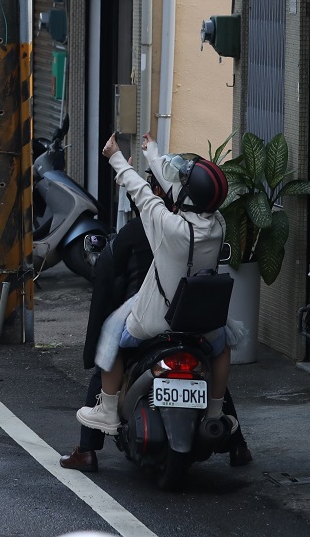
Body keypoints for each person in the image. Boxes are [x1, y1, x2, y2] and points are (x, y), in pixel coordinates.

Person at [76, 134, 239, 442]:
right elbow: (178, 189)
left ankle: (108, 409)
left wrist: (115, 157)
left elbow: (139, 190)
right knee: (223, 347)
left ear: (185, 195)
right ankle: (216, 412)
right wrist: (153, 153)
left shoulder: (167, 226)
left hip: (154, 321)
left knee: (111, 331)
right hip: (201, 322)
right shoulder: (218, 225)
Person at [60, 192, 153, 473]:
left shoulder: (141, 228)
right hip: (187, 316)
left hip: (144, 319)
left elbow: (105, 270)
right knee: (209, 355)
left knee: (106, 360)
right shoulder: (197, 226)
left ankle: (87, 450)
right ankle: (236, 443)